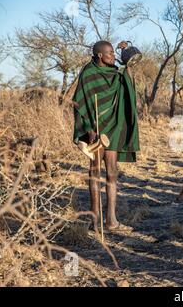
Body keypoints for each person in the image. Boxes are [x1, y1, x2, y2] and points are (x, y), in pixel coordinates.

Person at [72, 40, 140, 232]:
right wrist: (88, 129)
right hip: (95, 129)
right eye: (110, 53)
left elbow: (128, 82)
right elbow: (79, 103)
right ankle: (94, 220)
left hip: (114, 127)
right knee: (95, 173)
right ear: (100, 55)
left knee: (112, 172)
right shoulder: (88, 73)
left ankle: (111, 220)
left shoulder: (115, 72)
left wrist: (126, 52)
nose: (113, 56)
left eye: (113, 52)